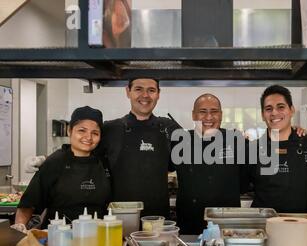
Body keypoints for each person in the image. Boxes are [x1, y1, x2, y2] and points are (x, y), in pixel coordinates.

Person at [14, 106, 111, 230]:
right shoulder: (54, 162)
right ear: (69, 131)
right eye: (82, 130)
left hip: (97, 236)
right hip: (58, 236)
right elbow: (28, 204)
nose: (88, 137)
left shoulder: (103, 162)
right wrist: (19, 227)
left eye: (95, 133)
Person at [100, 78, 179, 218]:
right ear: (128, 91)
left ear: (158, 94)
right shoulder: (109, 130)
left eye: (151, 90)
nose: (145, 95)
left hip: (158, 220)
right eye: (138, 89)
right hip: (119, 219)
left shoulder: (170, 128)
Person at [172, 94, 247, 235]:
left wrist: (293, 131)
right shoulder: (179, 142)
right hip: (189, 227)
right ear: (194, 115)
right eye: (202, 112)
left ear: (221, 115)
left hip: (227, 227)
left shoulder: (237, 141)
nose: (208, 117)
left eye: (214, 111)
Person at [250, 85, 307, 213]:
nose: (274, 113)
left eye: (281, 107)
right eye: (268, 109)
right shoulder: (252, 149)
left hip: (302, 224)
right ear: (262, 115)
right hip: (263, 224)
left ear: (292, 110)